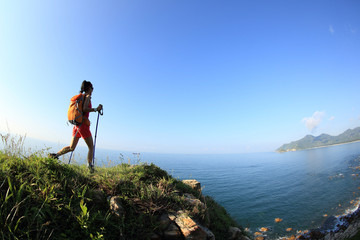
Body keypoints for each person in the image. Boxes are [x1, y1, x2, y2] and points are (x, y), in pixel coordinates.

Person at [50, 80, 103, 172]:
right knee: (91, 146)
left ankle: (55, 156)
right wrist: (96, 109)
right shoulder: (87, 96)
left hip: (77, 126)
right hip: (83, 126)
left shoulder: (80, 97)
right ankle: (90, 167)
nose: (93, 90)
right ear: (89, 88)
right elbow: (85, 108)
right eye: (92, 88)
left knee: (71, 147)